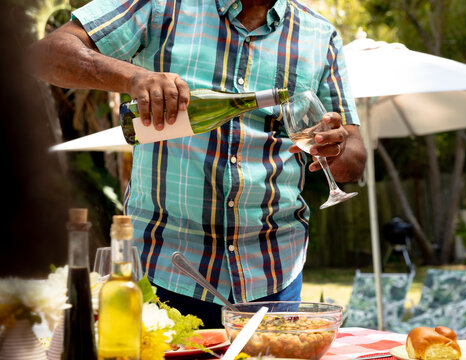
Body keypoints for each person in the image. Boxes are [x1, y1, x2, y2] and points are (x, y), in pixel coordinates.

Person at [28, 0, 366, 328]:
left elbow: (353, 161)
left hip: (274, 273)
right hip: (164, 269)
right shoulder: (162, 6)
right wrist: (135, 78)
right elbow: (47, 54)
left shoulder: (321, 36)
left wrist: (336, 148)